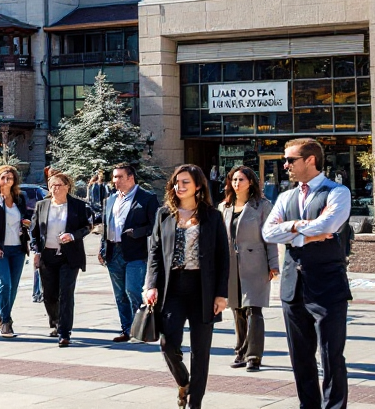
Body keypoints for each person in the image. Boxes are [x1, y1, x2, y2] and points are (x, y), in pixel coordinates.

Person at [262, 138, 353, 409]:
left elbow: (330, 224)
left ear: (310, 160)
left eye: (291, 160)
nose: (285, 165)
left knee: (331, 356)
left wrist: (290, 233)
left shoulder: (337, 192)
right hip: (292, 286)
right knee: (300, 357)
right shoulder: (284, 196)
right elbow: (268, 232)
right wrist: (304, 231)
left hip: (327, 285)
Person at [143, 164, 230, 409]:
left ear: (198, 186)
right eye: (176, 182)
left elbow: (223, 258)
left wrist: (222, 294)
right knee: (167, 343)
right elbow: (155, 253)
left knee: (200, 351)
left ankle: (195, 404)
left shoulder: (212, 216)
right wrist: (150, 284)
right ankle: (184, 381)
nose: (179, 187)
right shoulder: (164, 214)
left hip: (203, 289)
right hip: (173, 288)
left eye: (185, 183)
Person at [220, 165, 278, 372]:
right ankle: (240, 351)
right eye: (234, 180)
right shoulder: (224, 207)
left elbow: (269, 237)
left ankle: (254, 356)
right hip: (231, 265)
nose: (236, 184)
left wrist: (273, 264)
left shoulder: (262, 206)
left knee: (254, 309)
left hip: (256, 264)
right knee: (237, 310)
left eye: (241, 180)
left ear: (251, 182)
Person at [30, 170, 91, 347]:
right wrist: (36, 251)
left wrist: (72, 235)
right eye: (51, 185)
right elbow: (34, 231)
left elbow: (87, 226)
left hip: (69, 257)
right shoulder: (42, 205)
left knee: (66, 293)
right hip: (47, 256)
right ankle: (55, 322)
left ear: (67, 187)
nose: (55, 189)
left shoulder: (77, 206)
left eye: (58, 185)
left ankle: (65, 332)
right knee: (49, 295)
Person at [101, 162, 160, 342]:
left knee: (132, 291)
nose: (115, 180)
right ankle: (126, 329)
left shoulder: (147, 198)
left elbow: (155, 226)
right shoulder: (110, 199)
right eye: (114, 177)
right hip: (113, 252)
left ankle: (140, 329)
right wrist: (102, 248)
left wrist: (138, 232)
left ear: (130, 177)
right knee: (120, 295)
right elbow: (106, 226)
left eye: (119, 177)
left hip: (136, 252)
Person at [0, 164, 32, 337]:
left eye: (9, 178)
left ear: (14, 180)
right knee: (5, 284)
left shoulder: (19, 198)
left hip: (17, 248)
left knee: (13, 287)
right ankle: (6, 321)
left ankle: (3, 314)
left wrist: (26, 223)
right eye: (3, 178)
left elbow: (24, 217)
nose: (6, 180)